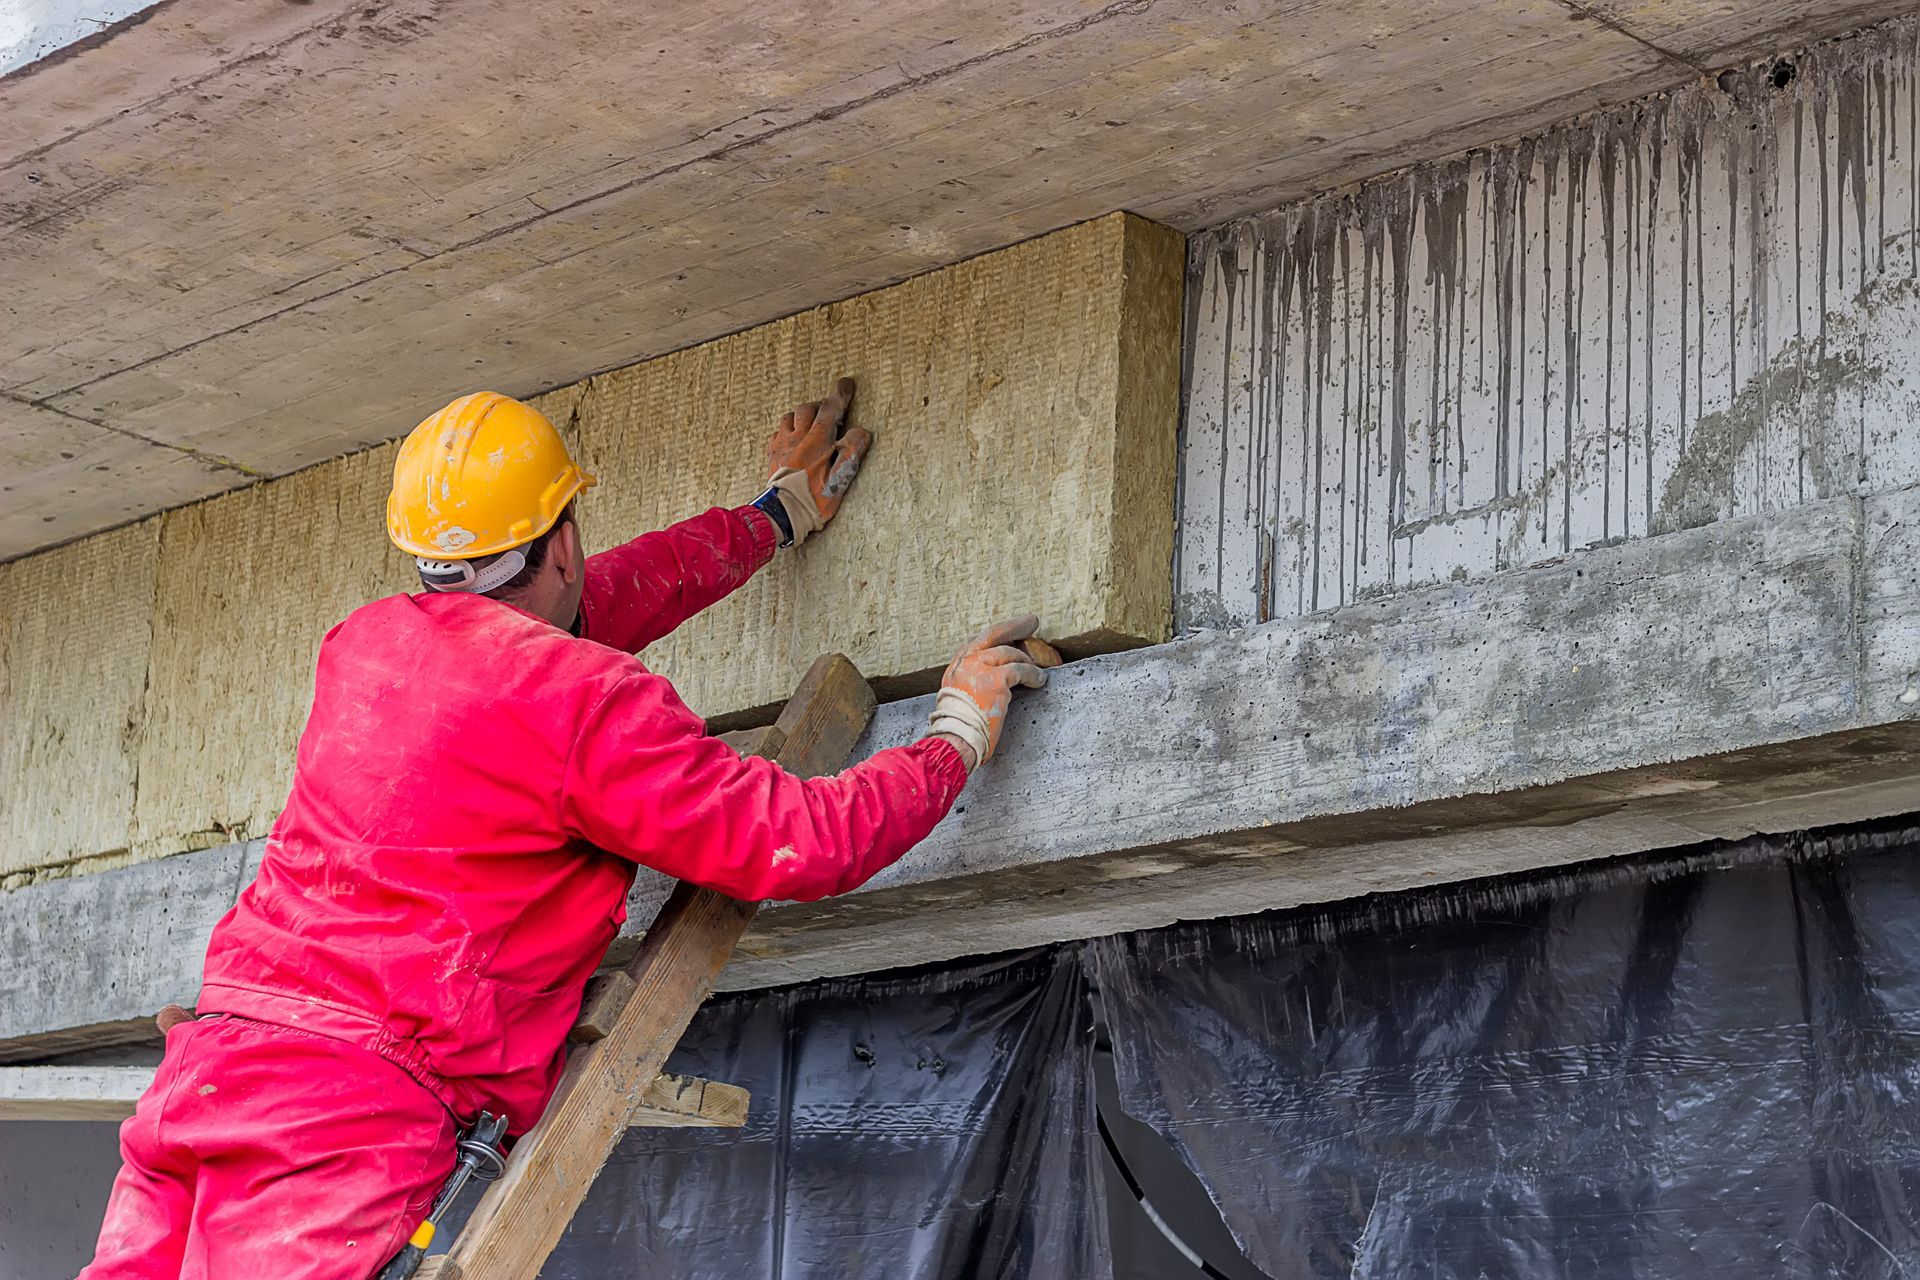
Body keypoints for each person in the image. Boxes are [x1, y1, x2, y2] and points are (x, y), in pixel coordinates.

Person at [78, 377, 1057, 1279]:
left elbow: (573, 619)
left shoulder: (364, 646)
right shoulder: (580, 704)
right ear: (564, 538)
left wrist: (772, 517)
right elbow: (797, 838)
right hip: (347, 1115)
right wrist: (956, 732)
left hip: (211, 1074)